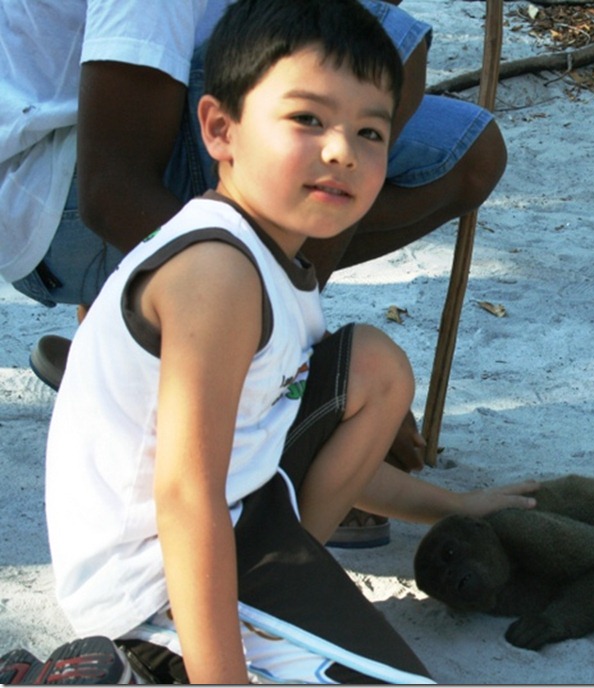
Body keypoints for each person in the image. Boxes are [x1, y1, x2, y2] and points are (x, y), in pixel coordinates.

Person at [30, 0, 537, 683]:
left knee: (375, 368)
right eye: (307, 119)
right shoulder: (217, 274)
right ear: (219, 128)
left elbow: (267, 446)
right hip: (151, 589)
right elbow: (186, 496)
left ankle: (274, 603)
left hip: (238, 526)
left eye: (370, 132)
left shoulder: (269, 262)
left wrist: (454, 506)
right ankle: (145, 665)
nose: (341, 152)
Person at [0, 0, 506, 386]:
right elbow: (110, 190)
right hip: (55, 208)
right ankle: (265, 382)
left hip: (111, 166)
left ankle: (148, 346)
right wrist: (290, 351)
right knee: (384, 41)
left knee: (470, 154)